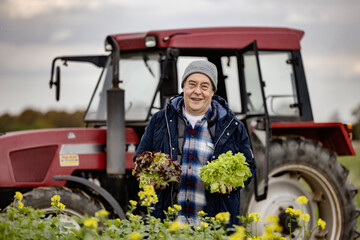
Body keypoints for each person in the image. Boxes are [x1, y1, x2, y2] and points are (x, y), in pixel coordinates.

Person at [134, 60, 256, 226]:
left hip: (213, 228)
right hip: (168, 226)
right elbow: (140, 159)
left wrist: (230, 183)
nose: (197, 91)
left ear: (212, 91)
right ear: (183, 87)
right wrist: (150, 176)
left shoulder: (232, 126)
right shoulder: (159, 120)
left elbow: (249, 166)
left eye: (204, 86)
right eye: (192, 84)